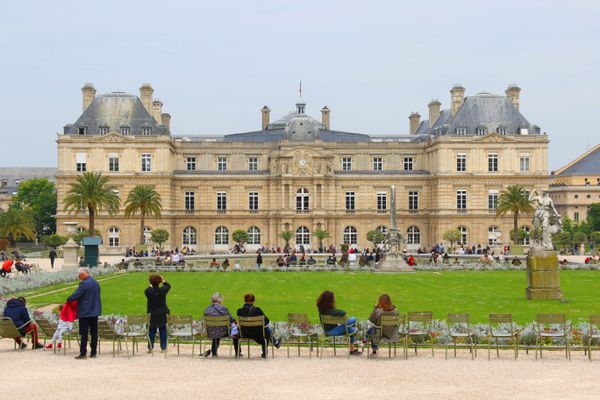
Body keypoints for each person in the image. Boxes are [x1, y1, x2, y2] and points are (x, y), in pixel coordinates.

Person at [67, 267, 101, 359]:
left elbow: (76, 295)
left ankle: (83, 353)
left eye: (79, 276)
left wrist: (68, 299)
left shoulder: (84, 283)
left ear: (83, 274)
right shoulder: (96, 283)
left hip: (85, 312)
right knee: (94, 332)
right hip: (95, 311)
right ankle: (93, 352)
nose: (79, 277)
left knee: (84, 333)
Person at [316, 290, 360, 355]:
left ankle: (352, 351)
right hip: (333, 331)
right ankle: (352, 350)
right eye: (334, 298)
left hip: (327, 330)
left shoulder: (321, 310)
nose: (335, 299)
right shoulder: (331, 311)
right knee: (353, 319)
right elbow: (343, 313)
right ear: (330, 301)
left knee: (351, 329)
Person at [237, 294, 281, 358]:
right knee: (266, 330)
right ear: (254, 301)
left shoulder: (239, 311)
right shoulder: (257, 310)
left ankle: (276, 343)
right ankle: (267, 350)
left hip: (244, 333)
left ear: (244, 300)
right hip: (258, 334)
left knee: (265, 330)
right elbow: (267, 321)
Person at [203, 292, 240, 357]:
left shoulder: (207, 309)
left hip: (210, 332)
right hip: (223, 332)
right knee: (235, 332)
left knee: (216, 329)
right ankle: (238, 352)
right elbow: (231, 319)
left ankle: (214, 352)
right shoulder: (224, 309)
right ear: (220, 300)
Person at [144, 274, 170, 352]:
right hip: (162, 312)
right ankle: (163, 347)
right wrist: (163, 281)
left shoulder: (148, 291)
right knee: (162, 329)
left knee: (152, 330)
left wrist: (151, 284)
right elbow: (168, 286)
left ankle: (150, 347)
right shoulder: (163, 290)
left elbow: (149, 288)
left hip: (152, 313)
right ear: (159, 282)